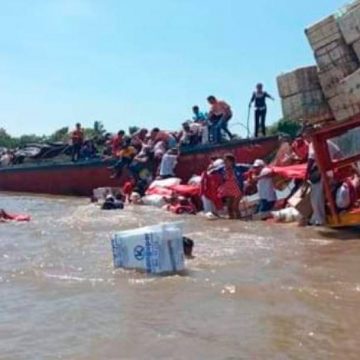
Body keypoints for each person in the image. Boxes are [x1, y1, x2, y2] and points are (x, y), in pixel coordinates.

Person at [219, 154, 243, 219]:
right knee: (229, 207)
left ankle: (240, 221)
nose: (224, 162)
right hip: (229, 189)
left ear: (231, 161)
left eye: (226, 161)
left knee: (235, 207)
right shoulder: (222, 169)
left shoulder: (238, 167)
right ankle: (232, 221)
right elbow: (212, 171)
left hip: (237, 189)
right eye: (224, 161)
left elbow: (250, 167)